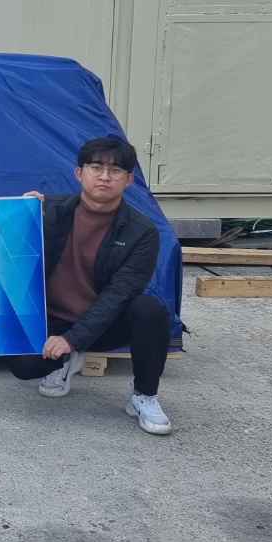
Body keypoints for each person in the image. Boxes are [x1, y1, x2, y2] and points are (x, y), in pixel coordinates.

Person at [13, 136, 172, 435]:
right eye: (96, 167)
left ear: (128, 180)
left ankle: (144, 395)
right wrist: (21, 217)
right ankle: (63, 361)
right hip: (51, 318)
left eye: (115, 170)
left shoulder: (142, 232)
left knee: (150, 311)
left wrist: (72, 339)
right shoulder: (48, 210)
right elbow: (11, 260)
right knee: (23, 366)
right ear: (79, 173)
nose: (104, 176)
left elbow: (118, 296)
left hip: (103, 322)